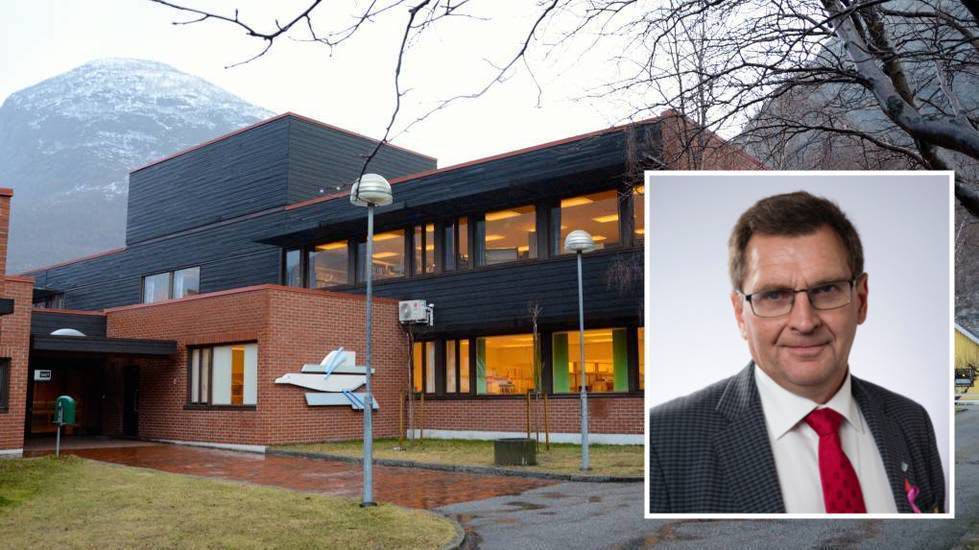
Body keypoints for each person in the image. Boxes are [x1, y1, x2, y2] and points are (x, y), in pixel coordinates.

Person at [647, 191, 945, 514]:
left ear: (861, 300)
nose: (804, 322)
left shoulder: (911, 422)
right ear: (740, 314)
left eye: (826, 289)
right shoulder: (664, 443)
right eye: (774, 295)